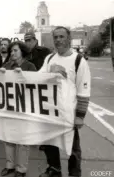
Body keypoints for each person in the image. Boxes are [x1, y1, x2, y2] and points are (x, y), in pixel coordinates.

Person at [38, 26, 91, 177]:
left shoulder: (78, 61)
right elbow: (37, 78)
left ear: (68, 38)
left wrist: (80, 115)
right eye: (56, 37)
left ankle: (74, 172)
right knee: (50, 142)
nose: (58, 40)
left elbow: (84, 90)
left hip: (69, 112)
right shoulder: (49, 59)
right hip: (50, 111)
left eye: (62, 37)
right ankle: (54, 169)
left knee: (73, 147)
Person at [0, 41, 36, 177]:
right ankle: (10, 165)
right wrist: (0, 75)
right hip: (8, 106)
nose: (12, 53)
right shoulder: (7, 66)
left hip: (24, 108)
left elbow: (35, 86)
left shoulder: (30, 66)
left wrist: (23, 77)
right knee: (8, 137)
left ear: (22, 52)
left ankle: (21, 169)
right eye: (11, 51)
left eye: (15, 50)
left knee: (22, 140)